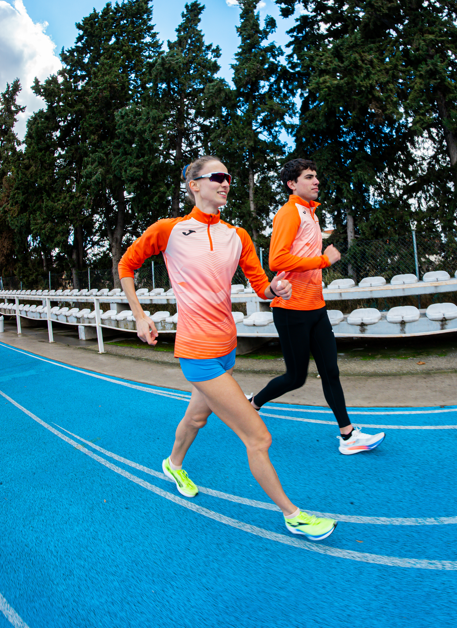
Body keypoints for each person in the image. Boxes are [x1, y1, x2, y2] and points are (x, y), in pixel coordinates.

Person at [118, 155, 337, 541]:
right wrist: (139, 315)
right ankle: (293, 515)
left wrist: (276, 288)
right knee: (258, 438)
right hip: (197, 352)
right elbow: (126, 265)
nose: (225, 183)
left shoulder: (237, 236)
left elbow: (262, 286)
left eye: (228, 177)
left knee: (197, 419)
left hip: (226, 349)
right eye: (216, 176)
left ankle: (172, 464)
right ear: (194, 185)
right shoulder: (169, 230)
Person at [248, 158, 385, 455]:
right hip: (290, 309)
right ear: (292, 184)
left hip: (316, 308)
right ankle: (253, 404)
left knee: (330, 371)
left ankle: (348, 436)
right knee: (295, 378)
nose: (316, 181)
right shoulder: (289, 213)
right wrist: (323, 260)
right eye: (309, 177)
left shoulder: (311, 213)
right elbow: (276, 260)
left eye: (316, 176)